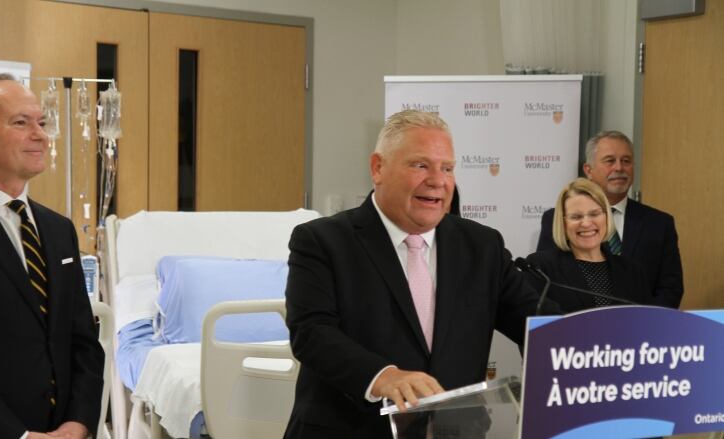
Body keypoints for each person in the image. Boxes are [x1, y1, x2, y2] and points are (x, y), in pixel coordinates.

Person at [284, 110, 548, 438]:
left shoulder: (482, 246)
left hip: (454, 432)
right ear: (378, 168)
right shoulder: (323, 241)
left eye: (447, 168)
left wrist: (597, 347)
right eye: (420, 165)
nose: (438, 180)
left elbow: (536, 322)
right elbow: (311, 332)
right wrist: (383, 376)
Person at [0, 74, 104, 438]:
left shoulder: (58, 230)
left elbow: (83, 342)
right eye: (21, 123)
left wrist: (78, 424)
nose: (41, 135)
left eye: (41, 123)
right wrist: (20, 437)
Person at [536, 130, 683, 308]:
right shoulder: (555, 219)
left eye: (626, 161)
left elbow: (670, 289)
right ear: (588, 170)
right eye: (610, 161)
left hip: (638, 330)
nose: (619, 168)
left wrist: (647, 325)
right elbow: (545, 284)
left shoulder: (660, 224)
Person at [526, 178, 650, 312]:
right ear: (563, 223)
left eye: (594, 214)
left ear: (607, 216)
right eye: (576, 217)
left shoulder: (633, 272)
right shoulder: (541, 268)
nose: (586, 223)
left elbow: (647, 325)